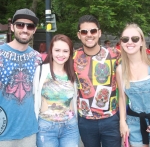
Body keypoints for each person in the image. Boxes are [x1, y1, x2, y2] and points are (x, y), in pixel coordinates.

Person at [73, 15, 121, 147]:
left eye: (93, 31)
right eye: (84, 32)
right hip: (86, 121)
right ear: (79, 35)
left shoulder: (114, 54)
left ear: (99, 33)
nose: (89, 35)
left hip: (111, 119)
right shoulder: (73, 57)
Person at [0, 8, 42, 147]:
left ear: (34, 30)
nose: (25, 29)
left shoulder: (37, 58)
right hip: (3, 133)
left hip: (29, 132)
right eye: (20, 25)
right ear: (12, 27)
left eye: (29, 26)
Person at [34, 34, 79, 147]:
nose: (61, 54)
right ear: (51, 51)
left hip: (70, 127)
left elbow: (74, 101)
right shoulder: (41, 71)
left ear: (70, 53)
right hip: (46, 127)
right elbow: (34, 98)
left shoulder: (72, 73)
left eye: (65, 51)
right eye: (57, 50)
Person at [116, 23, 150, 147]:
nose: (130, 42)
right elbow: (122, 97)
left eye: (134, 38)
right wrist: (122, 123)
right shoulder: (120, 69)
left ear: (141, 41)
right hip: (134, 123)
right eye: (125, 39)